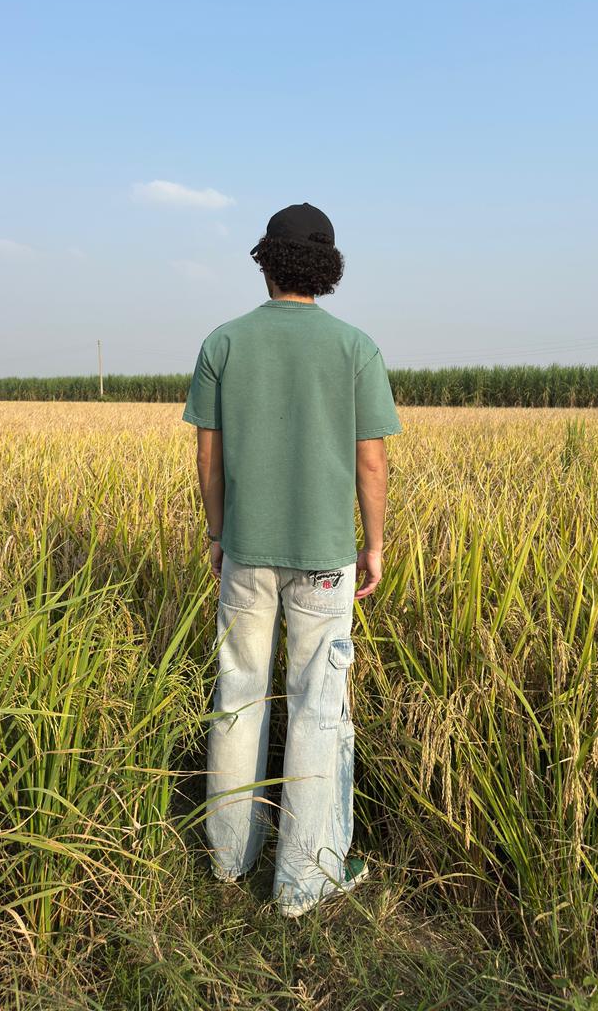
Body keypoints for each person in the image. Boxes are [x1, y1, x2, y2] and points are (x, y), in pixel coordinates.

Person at [181, 201, 402, 919]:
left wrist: (218, 534)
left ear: (266, 260)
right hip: (325, 559)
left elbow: (208, 456)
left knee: (237, 693)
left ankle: (225, 857)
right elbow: (372, 465)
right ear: (327, 270)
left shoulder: (224, 342)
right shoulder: (355, 348)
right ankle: (306, 881)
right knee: (319, 708)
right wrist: (373, 544)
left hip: (245, 551)